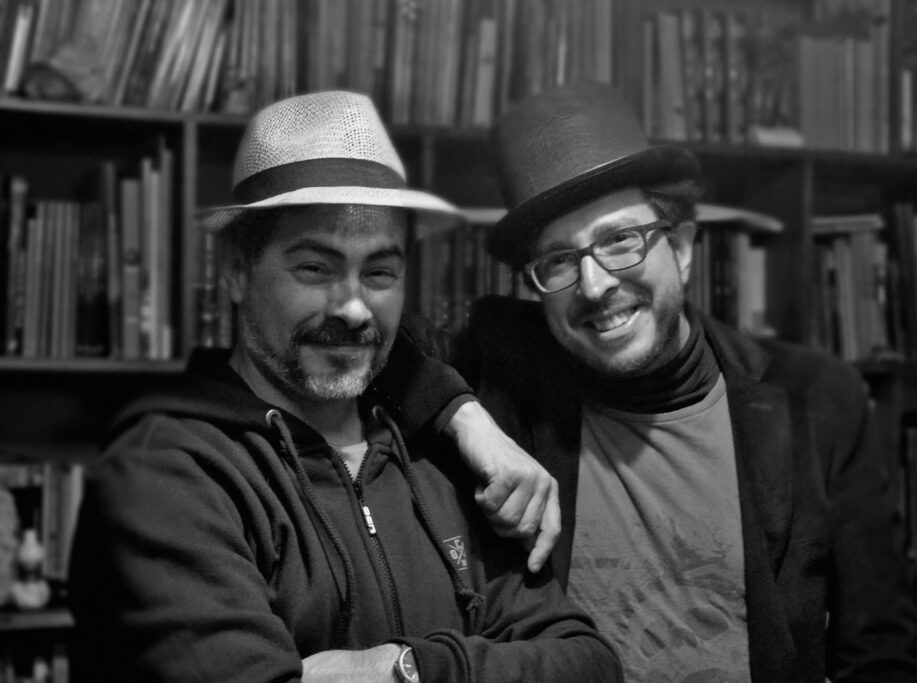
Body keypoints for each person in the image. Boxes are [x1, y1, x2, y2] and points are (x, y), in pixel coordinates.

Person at [68, 90, 621, 683]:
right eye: (315, 267)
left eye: (379, 272)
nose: (354, 309)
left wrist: (405, 670)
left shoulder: (443, 458)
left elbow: (587, 664)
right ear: (236, 271)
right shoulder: (166, 472)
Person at [427, 83, 917, 681]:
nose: (594, 285)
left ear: (682, 248)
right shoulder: (502, 370)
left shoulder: (816, 399)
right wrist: (466, 418)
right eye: (558, 260)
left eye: (620, 240)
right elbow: (366, 332)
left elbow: (880, 652)